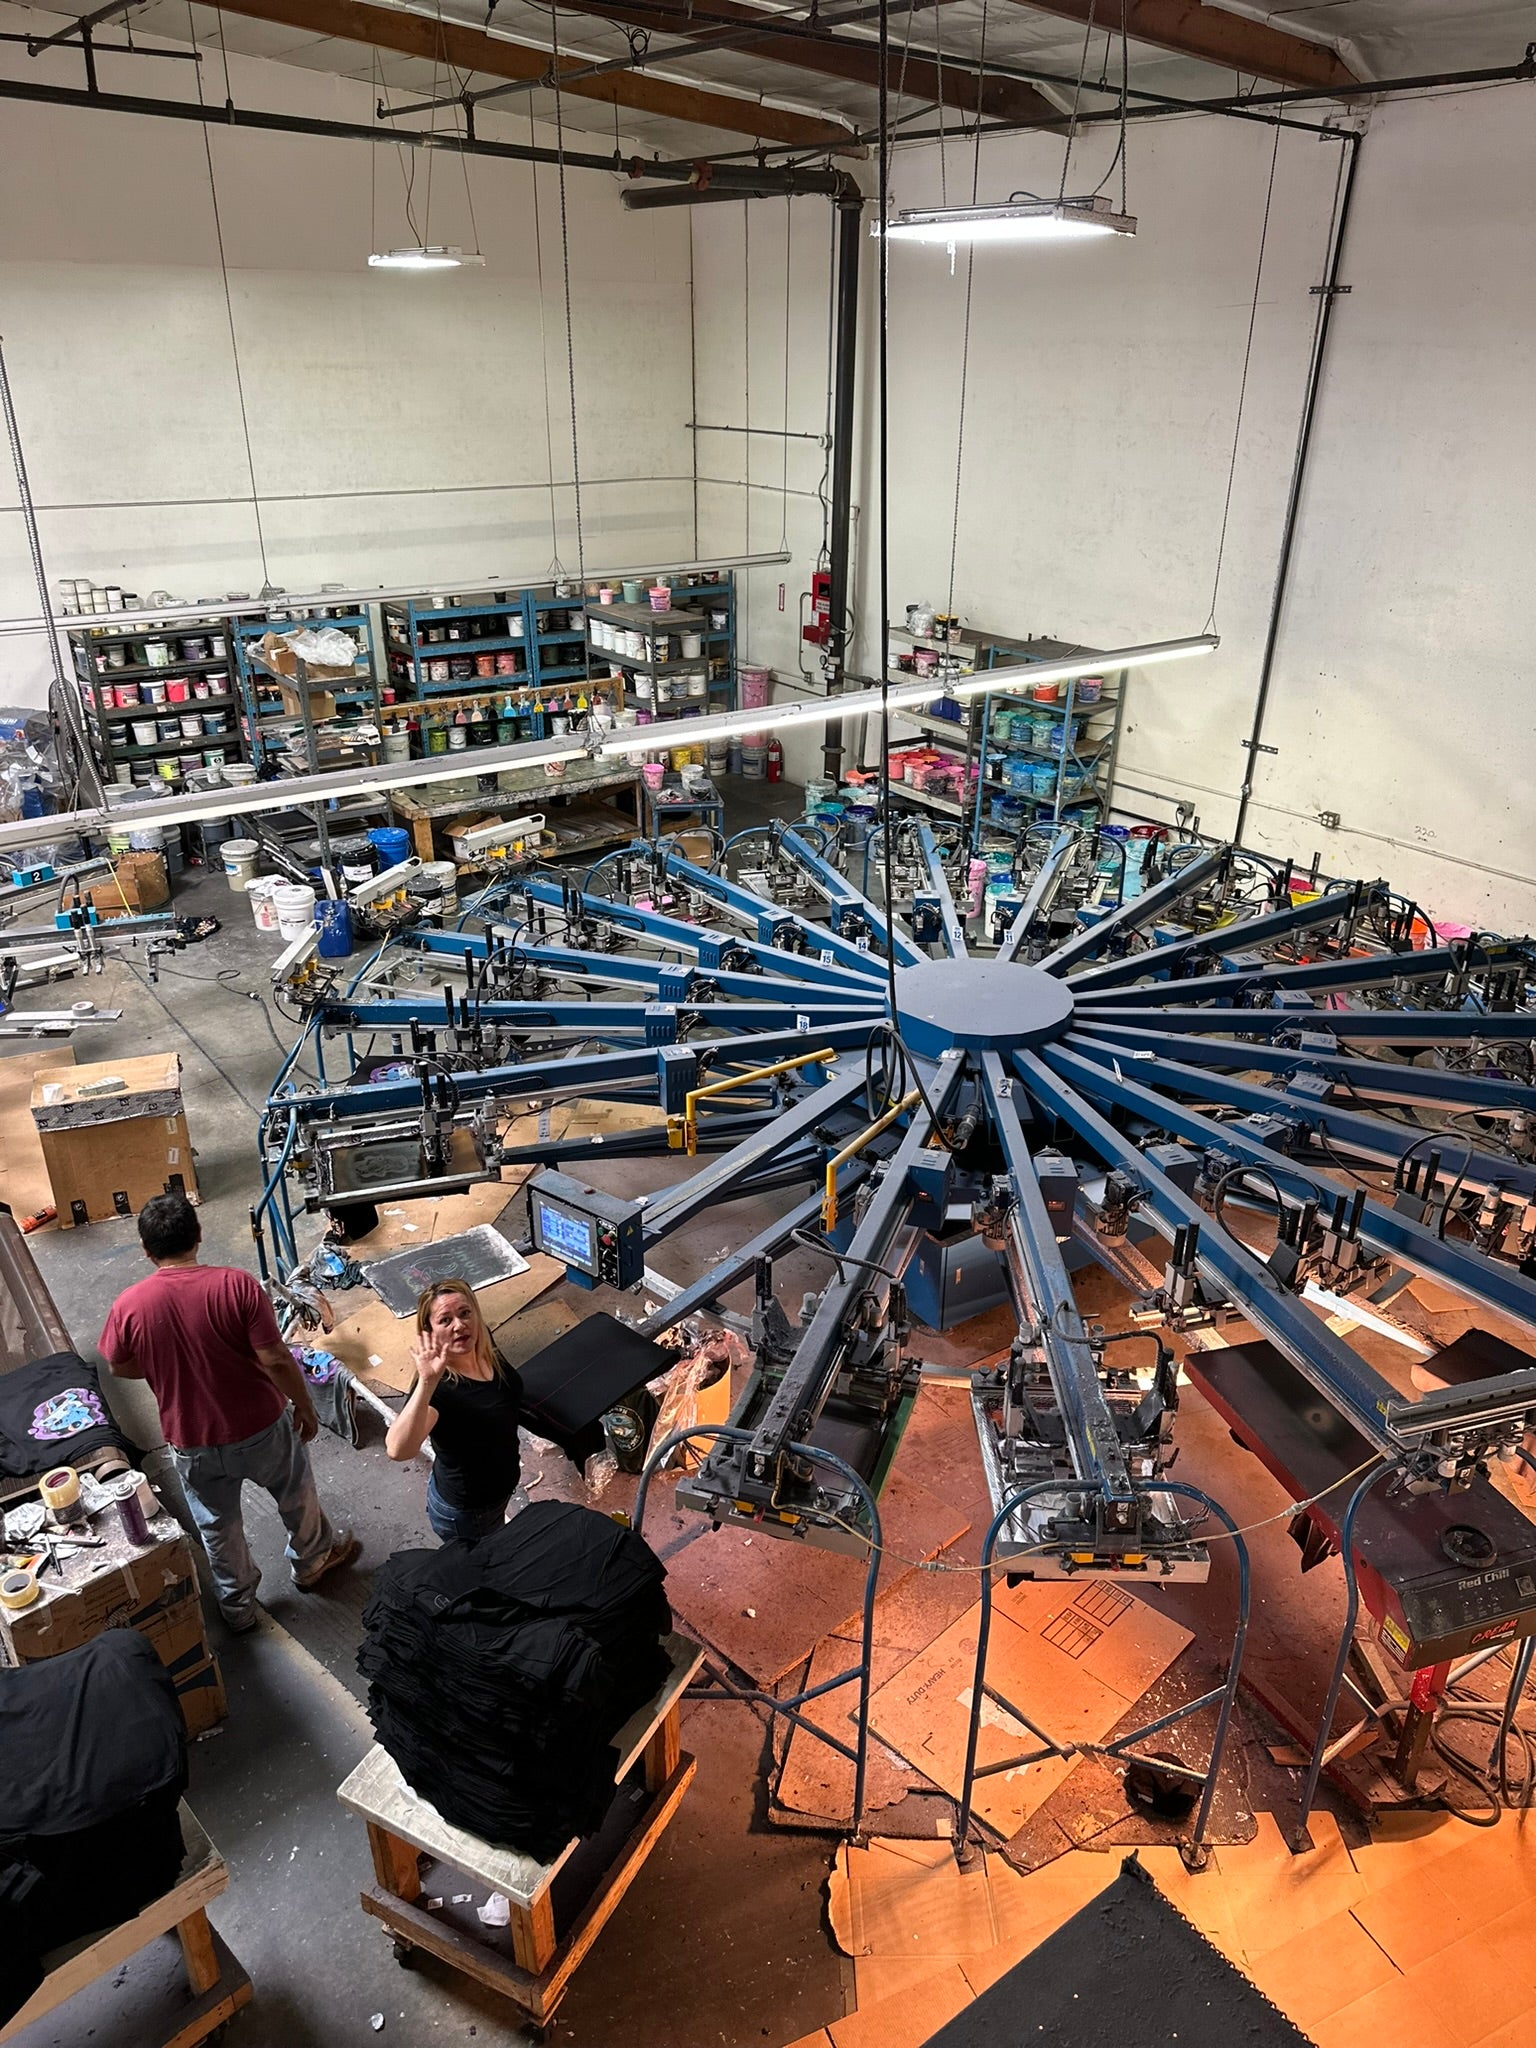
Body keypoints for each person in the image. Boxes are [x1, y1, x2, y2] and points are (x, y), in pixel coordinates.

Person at [99, 1193, 358, 1632]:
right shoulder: (236, 1286)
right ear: (198, 1235)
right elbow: (275, 1358)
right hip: (260, 1426)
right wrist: (305, 1405)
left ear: (145, 1250)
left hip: (190, 1437)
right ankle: (312, 1561)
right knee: (294, 1490)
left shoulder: (130, 1305)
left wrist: (166, 1366)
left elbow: (118, 1365)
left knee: (217, 1525)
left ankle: (238, 1607)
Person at [385, 1279, 523, 1543]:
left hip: (495, 1496)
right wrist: (427, 1382)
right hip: (469, 1513)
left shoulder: (481, 1342)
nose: (459, 1325)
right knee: (480, 1563)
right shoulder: (439, 1389)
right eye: (445, 1320)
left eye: (465, 1313)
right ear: (430, 1331)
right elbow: (397, 1450)